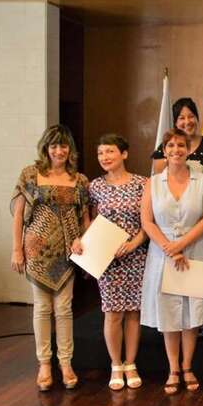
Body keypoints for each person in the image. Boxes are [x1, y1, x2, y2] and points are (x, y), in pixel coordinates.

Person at [10, 124, 90, 391]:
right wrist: (17, 249)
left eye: (64, 145)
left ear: (70, 149)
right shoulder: (30, 175)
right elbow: (19, 214)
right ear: (46, 148)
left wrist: (85, 243)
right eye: (54, 145)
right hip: (37, 252)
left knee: (64, 309)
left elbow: (85, 219)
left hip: (68, 253)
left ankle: (65, 363)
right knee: (42, 308)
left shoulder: (79, 180)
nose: (59, 150)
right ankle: (44, 364)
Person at [140, 128, 203, 394]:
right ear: (164, 149)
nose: (176, 150)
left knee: (192, 312)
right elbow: (147, 221)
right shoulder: (153, 182)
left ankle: (188, 366)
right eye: (171, 145)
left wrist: (181, 245)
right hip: (162, 256)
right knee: (169, 312)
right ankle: (173, 368)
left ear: (189, 150)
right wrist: (168, 247)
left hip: (194, 251)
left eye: (181, 146)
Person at [73, 134, 148, 391]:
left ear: (124, 154)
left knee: (133, 312)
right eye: (101, 153)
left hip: (135, 254)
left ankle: (131, 363)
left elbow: (147, 222)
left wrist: (133, 244)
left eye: (110, 152)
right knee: (112, 312)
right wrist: (86, 242)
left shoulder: (142, 183)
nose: (105, 157)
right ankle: (116, 364)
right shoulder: (94, 186)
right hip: (108, 258)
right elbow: (89, 220)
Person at [151, 97, 203, 174]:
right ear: (175, 123)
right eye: (182, 118)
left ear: (197, 118)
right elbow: (158, 179)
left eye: (191, 116)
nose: (187, 122)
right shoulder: (167, 146)